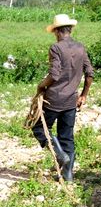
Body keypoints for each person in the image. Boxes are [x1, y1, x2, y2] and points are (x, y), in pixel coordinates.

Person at [32, 14, 94, 182]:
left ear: (57, 32)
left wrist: (41, 85)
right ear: (70, 29)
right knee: (67, 137)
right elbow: (89, 74)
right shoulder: (80, 48)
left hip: (54, 99)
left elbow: (54, 74)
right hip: (71, 101)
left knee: (39, 128)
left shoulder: (56, 48)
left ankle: (60, 155)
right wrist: (84, 95)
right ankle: (68, 175)